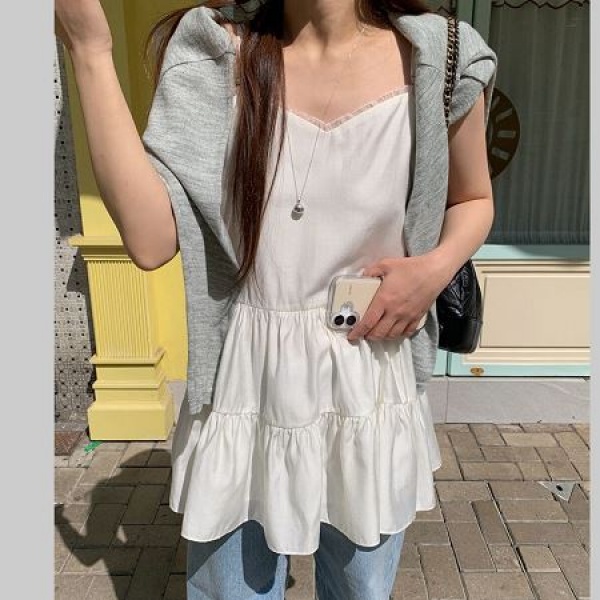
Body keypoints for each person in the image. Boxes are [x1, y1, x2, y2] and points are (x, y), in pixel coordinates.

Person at [55, 0, 497, 598]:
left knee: (361, 591)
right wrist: (90, 51)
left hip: (370, 376)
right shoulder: (217, 52)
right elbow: (150, 240)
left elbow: (472, 199)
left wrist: (433, 271)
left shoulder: (439, 55)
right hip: (246, 380)